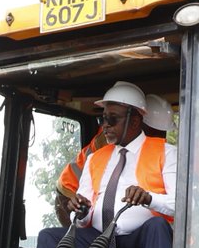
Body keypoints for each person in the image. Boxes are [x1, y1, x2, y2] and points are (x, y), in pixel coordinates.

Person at [27, 82, 177, 248]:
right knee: (48, 237)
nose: (105, 125)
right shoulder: (95, 158)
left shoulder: (166, 152)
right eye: (102, 118)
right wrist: (79, 210)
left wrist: (148, 197)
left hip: (139, 237)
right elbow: (83, 218)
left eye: (112, 119)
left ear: (135, 120)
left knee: (157, 225)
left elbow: (178, 205)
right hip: (98, 238)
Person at [52, 94, 175, 225]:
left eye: (163, 133)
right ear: (138, 123)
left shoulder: (158, 150)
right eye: (155, 132)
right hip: (68, 191)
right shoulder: (111, 142)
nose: (160, 138)